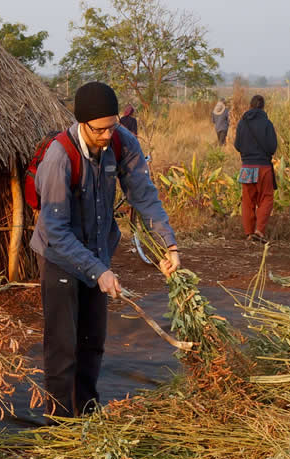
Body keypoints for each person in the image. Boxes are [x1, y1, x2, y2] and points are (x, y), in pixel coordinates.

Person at [30, 81, 179, 420]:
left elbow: (143, 194)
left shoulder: (122, 141)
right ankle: (60, 422)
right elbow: (56, 231)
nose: (107, 135)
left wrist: (168, 244)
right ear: (82, 123)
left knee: (93, 339)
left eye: (113, 126)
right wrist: (99, 271)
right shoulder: (59, 158)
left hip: (97, 251)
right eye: (100, 129)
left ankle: (88, 411)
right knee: (63, 345)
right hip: (60, 258)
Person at [234, 95, 277, 243]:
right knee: (266, 198)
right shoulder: (267, 123)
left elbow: (237, 145)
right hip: (264, 167)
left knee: (247, 201)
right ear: (263, 107)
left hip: (247, 167)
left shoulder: (242, 123)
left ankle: (248, 233)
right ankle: (259, 231)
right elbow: (272, 147)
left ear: (250, 106)